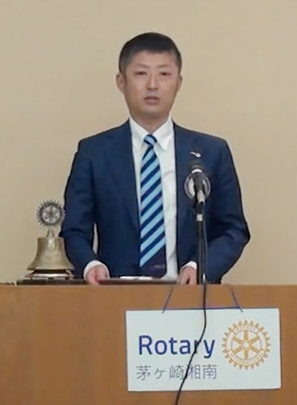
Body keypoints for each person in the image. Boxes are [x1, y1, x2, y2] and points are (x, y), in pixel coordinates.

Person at [60, 32, 250, 285]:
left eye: (164, 74)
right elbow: (74, 230)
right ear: (121, 81)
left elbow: (233, 229)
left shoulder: (211, 152)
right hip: (115, 294)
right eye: (141, 73)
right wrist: (90, 265)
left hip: (189, 295)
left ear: (178, 82)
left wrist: (201, 267)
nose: (152, 84)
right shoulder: (94, 153)